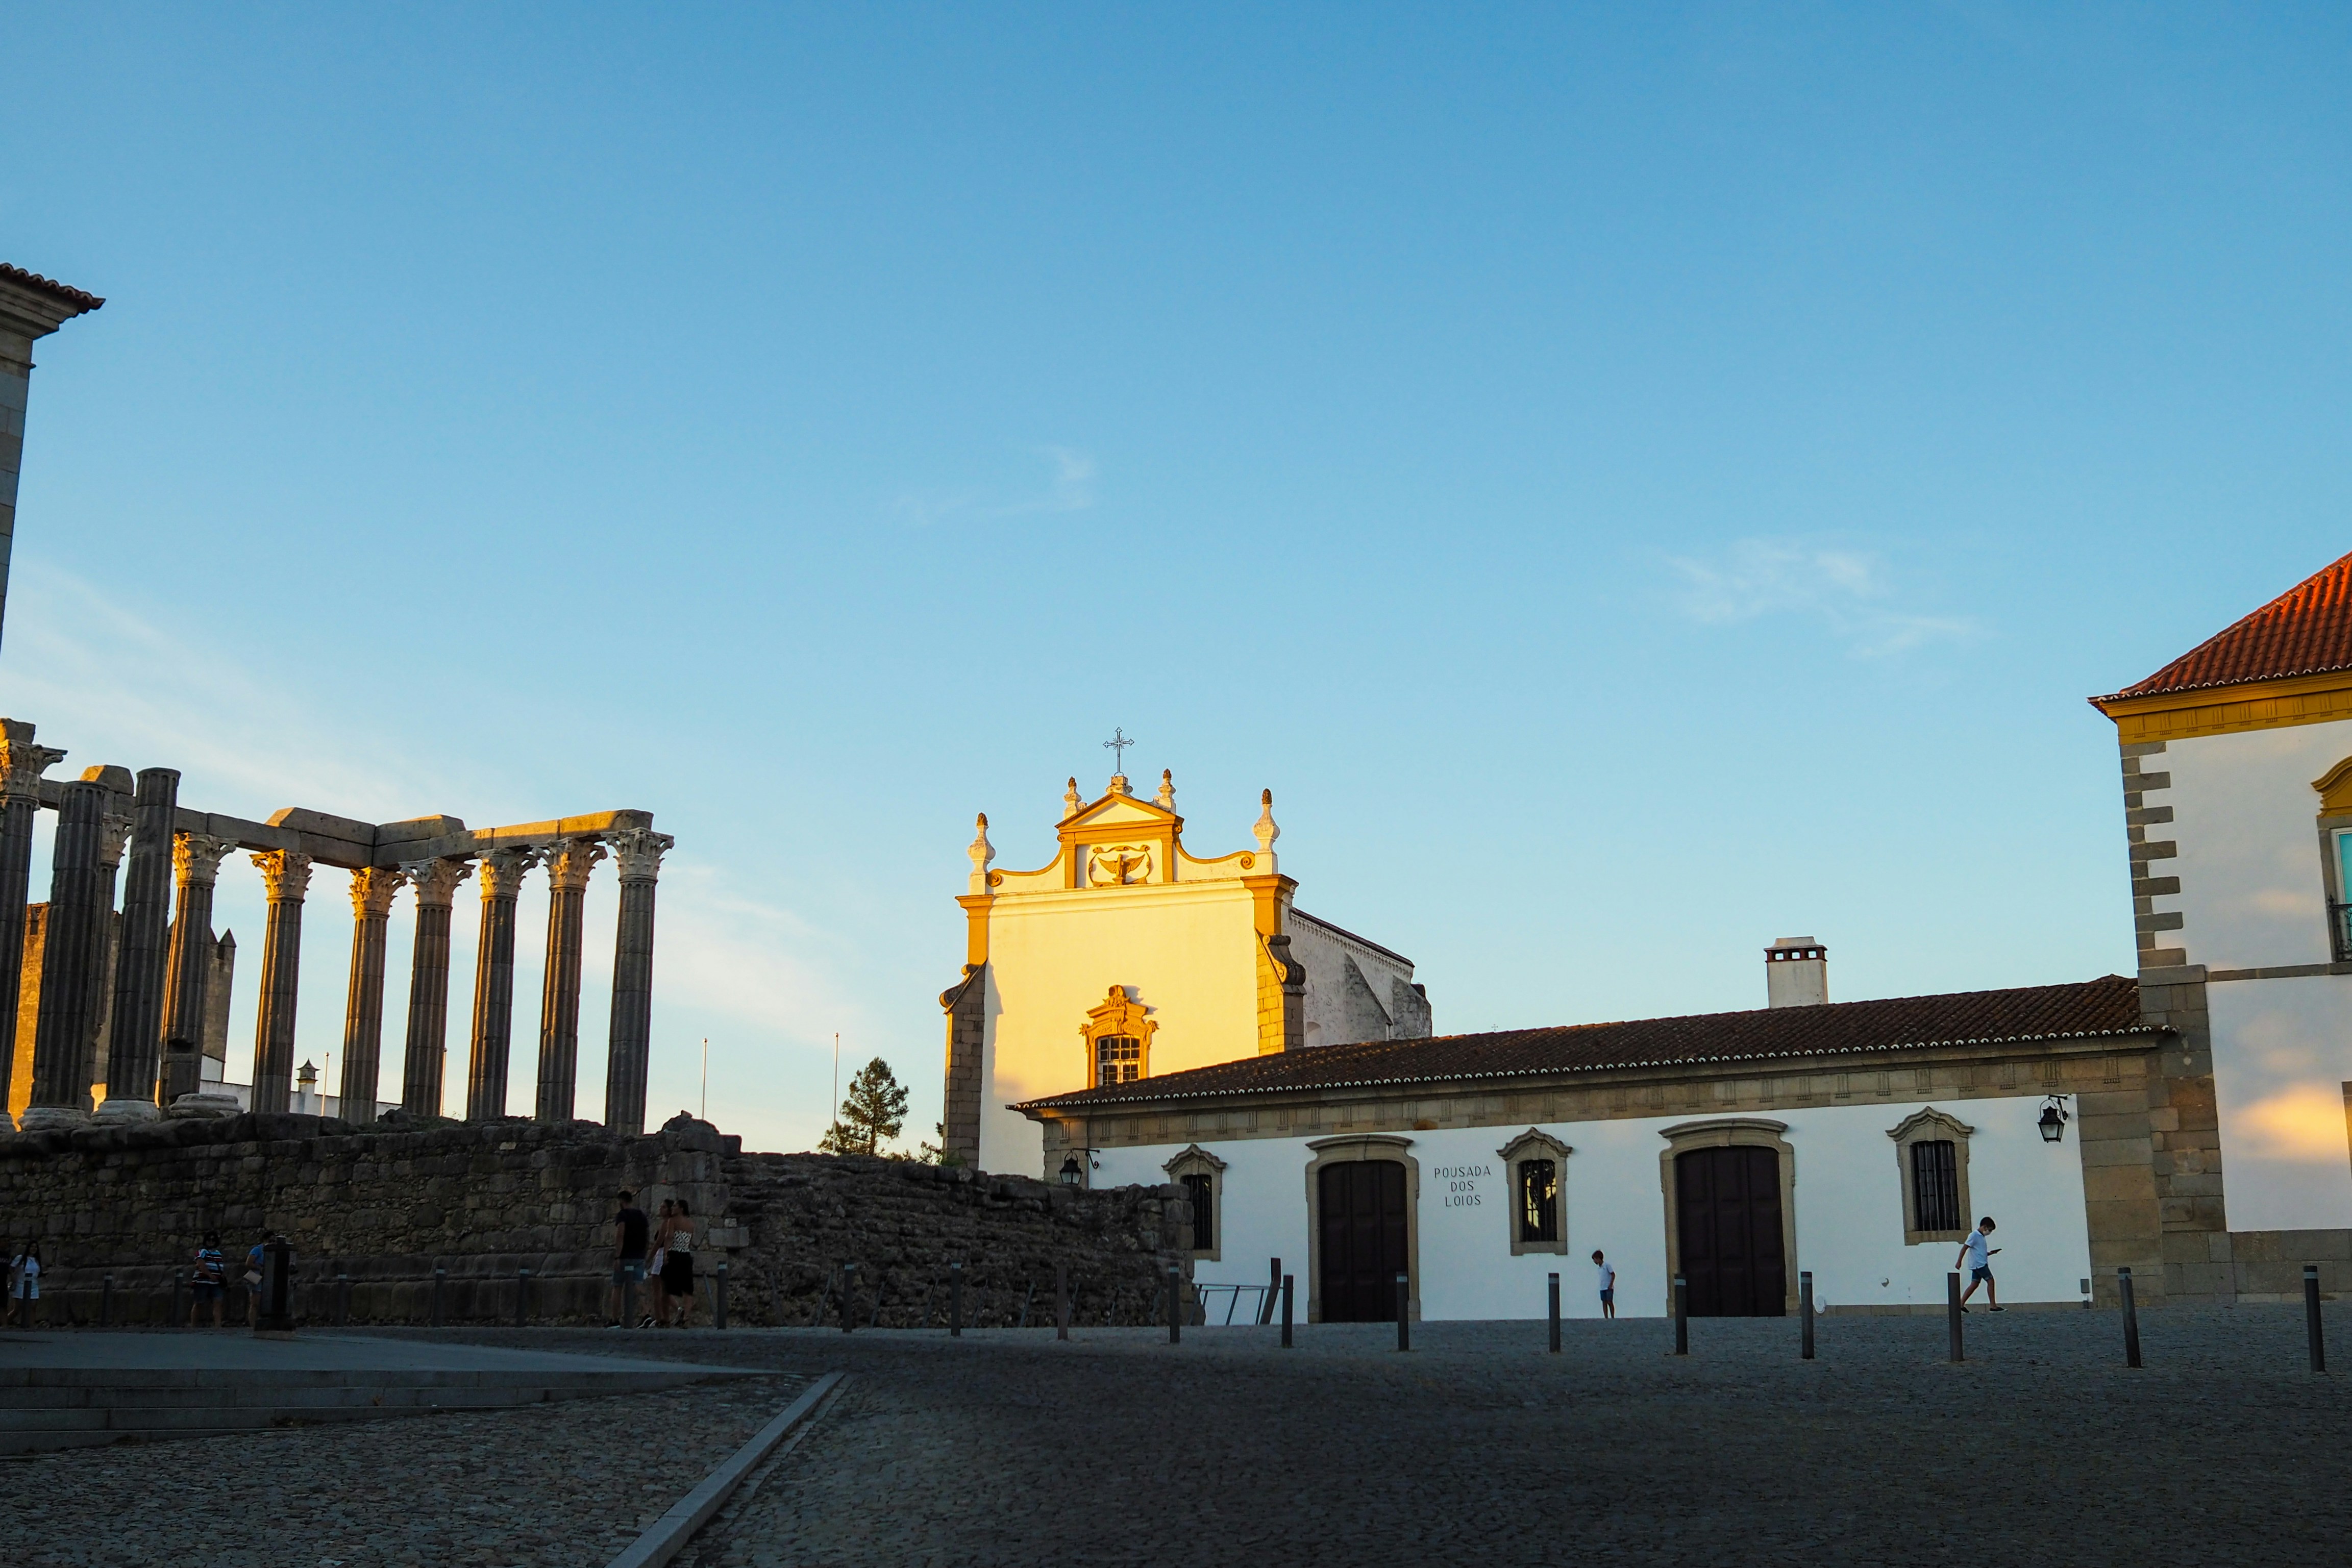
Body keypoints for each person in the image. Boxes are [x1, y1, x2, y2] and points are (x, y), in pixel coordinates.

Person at [609, 1188, 650, 1327]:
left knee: (617, 1286)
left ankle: (615, 1319)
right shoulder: (642, 1216)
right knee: (638, 1285)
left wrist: (617, 1257)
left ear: (621, 1201)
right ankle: (646, 1313)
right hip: (639, 1256)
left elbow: (620, 1235)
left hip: (625, 1256)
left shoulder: (623, 1215)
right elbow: (647, 1236)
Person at [1957, 1216, 2003, 1312]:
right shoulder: (1974, 1235)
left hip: (1978, 1264)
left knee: (1974, 1284)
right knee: (1991, 1281)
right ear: (1985, 1227)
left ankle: (1960, 1304)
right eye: (1989, 1230)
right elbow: (1965, 1247)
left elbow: (1979, 1252)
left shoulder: (1981, 1237)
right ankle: (1993, 1306)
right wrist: (1959, 1261)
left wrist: (1990, 1253)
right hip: (1980, 1265)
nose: (1989, 1232)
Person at [663, 1198, 696, 1328]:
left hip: (675, 1254)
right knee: (688, 1288)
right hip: (686, 1256)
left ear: (681, 1209)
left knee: (667, 1285)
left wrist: (666, 1253)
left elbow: (670, 1237)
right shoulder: (691, 1225)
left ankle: (678, 1310)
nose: (673, 1208)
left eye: (675, 1206)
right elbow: (690, 1241)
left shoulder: (672, 1221)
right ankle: (686, 1317)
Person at [644, 1199, 676, 1329]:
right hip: (668, 1254)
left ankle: (659, 1318)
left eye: (663, 1207)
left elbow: (658, 1243)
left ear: (668, 1210)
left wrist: (649, 1258)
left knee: (657, 1289)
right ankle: (672, 1313)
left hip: (661, 1254)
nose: (660, 1209)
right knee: (664, 1289)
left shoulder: (666, 1224)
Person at [190, 1231, 227, 1327]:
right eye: (209, 1240)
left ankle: (218, 1326)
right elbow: (200, 1264)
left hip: (216, 1282)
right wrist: (210, 1275)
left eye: (213, 1240)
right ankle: (193, 1325)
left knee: (218, 1303)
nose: (211, 1242)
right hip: (202, 1281)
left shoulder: (218, 1253)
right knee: (199, 1303)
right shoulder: (202, 1252)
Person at [1591, 1249, 1616, 1320]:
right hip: (1602, 1287)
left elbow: (1613, 1274)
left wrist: (1611, 1284)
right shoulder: (1599, 1268)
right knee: (1604, 1302)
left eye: (1595, 1260)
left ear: (1599, 1259)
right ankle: (1606, 1317)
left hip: (1608, 1287)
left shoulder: (1607, 1265)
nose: (1594, 1261)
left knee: (1610, 1302)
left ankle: (1612, 1317)